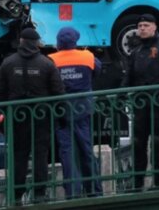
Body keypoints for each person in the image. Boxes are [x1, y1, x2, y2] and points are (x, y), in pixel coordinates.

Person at [0, 26, 64, 203]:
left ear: (21, 42)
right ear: (36, 44)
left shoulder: (8, 62)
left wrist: (4, 112)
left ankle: (17, 195)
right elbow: (58, 92)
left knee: (19, 156)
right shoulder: (47, 63)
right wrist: (59, 117)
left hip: (17, 117)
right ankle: (40, 194)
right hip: (41, 116)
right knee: (40, 155)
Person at [121, 14, 159, 190]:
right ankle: (138, 181)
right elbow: (128, 76)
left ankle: (158, 180)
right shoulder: (136, 51)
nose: (142, 28)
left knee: (157, 142)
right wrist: (121, 93)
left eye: (146, 25)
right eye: (140, 25)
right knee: (139, 143)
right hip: (141, 103)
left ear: (154, 27)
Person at [48, 26, 103, 198]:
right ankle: (94, 189)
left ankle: (73, 192)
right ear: (75, 41)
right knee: (86, 148)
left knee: (67, 151)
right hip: (83, 109)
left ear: (58, 43)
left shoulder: (51, 59)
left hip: (61, 111)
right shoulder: (87, 56)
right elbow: (98, 71)